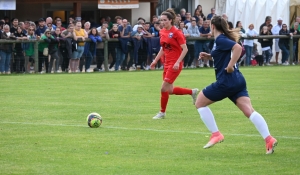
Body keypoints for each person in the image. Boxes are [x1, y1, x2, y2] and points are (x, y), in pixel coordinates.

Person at [196, 15, 277, 154]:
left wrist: (230, 65)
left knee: (199, 103)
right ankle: (269, 139)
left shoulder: (220, 39)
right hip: (237, 80)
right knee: (249, 111)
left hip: (226, 81)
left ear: (213, 26)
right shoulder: (220, 40)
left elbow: (238, 48)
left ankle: (216, 134)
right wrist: (209, 56)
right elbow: (224, 53)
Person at [150, 8, 199, 119]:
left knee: (163, 89)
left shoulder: (177, 32)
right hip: (166, 63)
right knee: (170, 90)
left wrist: (177, 62)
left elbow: (185, 49)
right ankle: (192, 92)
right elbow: (163, 48)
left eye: (164, 20)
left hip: (175, 64)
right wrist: (155, 60)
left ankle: (162, 113)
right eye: (161, 20)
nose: (162, 22)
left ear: (171, 20)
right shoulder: (162, 31)